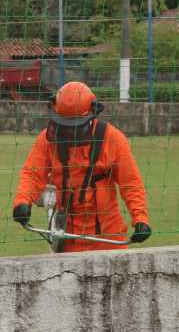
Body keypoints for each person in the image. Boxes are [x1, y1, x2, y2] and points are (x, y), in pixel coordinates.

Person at [11, 81, 151, 252]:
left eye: (76, 123)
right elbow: (32, 173)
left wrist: (140, 219)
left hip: (108, 236)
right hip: (67, 235)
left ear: (92, 113)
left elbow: (131, 183)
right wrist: (22, 202)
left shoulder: (113, 139)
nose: (70, 130)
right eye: (65, 122)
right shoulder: (47, 139)